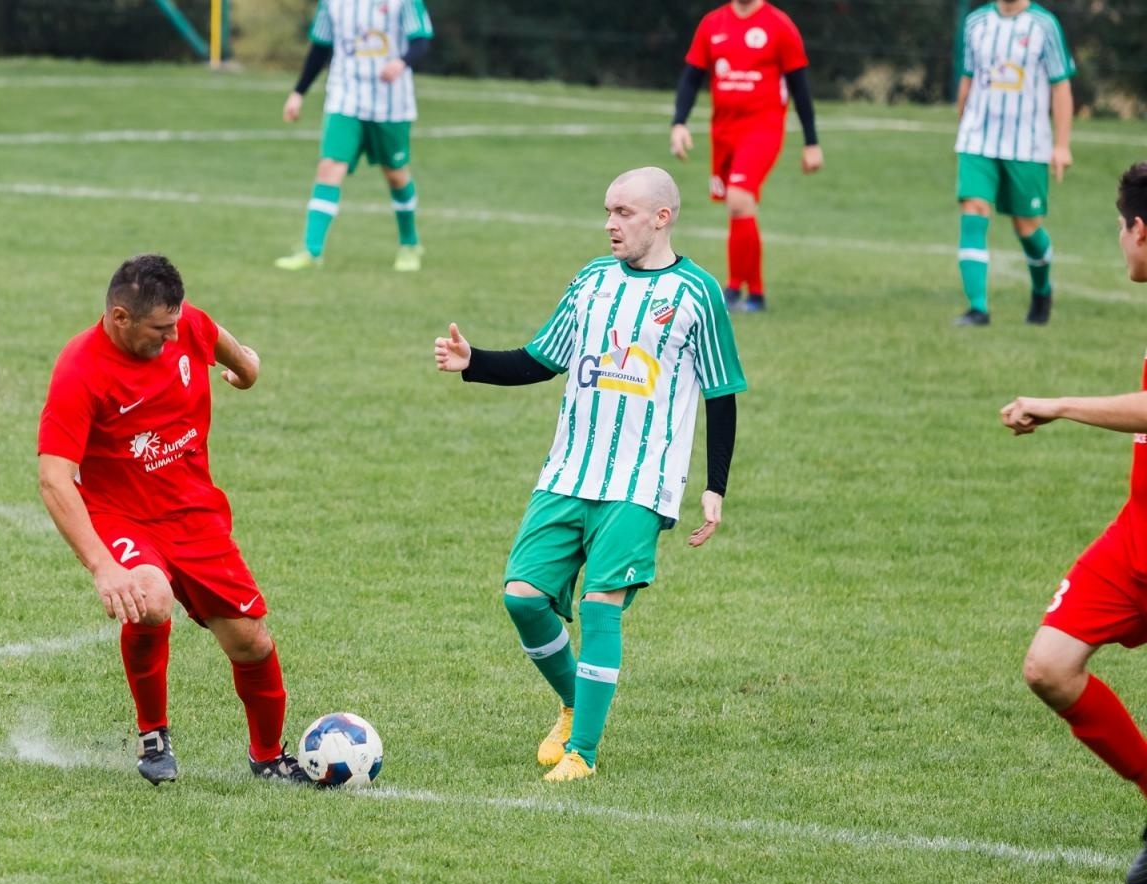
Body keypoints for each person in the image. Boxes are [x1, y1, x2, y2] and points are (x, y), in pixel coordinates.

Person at [433, 167, 745, 782]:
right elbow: (540, 359)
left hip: (639, 482)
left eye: (624, 212)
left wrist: (715, 485)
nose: (610, 223)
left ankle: (583, 751)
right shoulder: (591, 282)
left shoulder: (698, 293)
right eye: (607, 211)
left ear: (662, 217)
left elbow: (722, 392)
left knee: (603, 607)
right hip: (568, 472)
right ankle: (575, 699)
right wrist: (476, 363)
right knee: (522, 598)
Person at [37, 254, 309, 786]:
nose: (171, 339)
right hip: (122, 517)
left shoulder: (187, 327)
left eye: (175, 326)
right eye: (159, 330)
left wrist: (247, 371)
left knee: (250, 641)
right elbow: (53, 478)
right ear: (120, 317)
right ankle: (153, 733)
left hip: (195, 516)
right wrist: (103, 567)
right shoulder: (80, 369)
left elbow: (223, 344)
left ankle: (268, 757)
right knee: (149, 597)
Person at [999, 162, 1147, 884]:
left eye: (1120, 230)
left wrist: (1058, 404)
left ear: (1139, 230)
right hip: (1137, 534)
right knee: (1049, 667)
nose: (1120, 245)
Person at [669, 0, 820, 313]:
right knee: (738, 207)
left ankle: (745, 291)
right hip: (724, 132)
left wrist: (811, 143)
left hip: (763, 129)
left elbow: (800, 87)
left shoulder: (779, 25)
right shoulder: (712, 24)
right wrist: (679, 123)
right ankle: (748, 292)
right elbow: (692, 77)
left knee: (739, 198)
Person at [274, 0, 433, 273]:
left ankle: (409, 244)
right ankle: (312, 250)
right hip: (344, 99)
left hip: (391, 103)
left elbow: (421, 40)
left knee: (395, 174)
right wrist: (298, 93)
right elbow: (321, 47)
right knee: (329, 167)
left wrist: (402, 61)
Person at [953, 0, 1074, 328]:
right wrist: (962, 122)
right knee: (974, 209)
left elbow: (1060, 85)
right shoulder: (975, 22)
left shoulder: (1043, 25)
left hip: (1028, 144)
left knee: (1027, 226)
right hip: (978, 139)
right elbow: (968, 77)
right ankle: (978, 309)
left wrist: (1061, 146)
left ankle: (1041, 289)